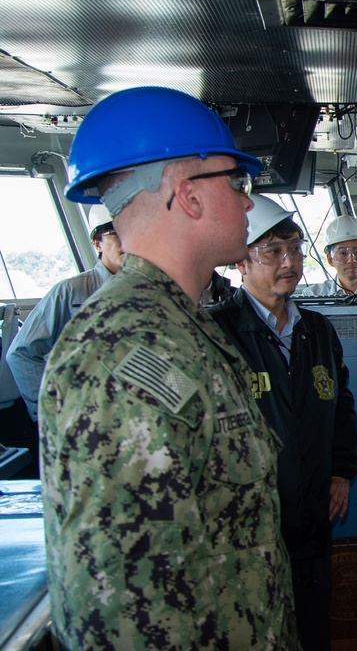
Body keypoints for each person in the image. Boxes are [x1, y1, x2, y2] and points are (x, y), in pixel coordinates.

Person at [38, 86, 299, 649]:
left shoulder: (184, 324)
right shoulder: (122, 350)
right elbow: (127, 610)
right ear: (189, 197)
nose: (249, 202)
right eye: (238, 183)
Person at [209, 195, 357, 650]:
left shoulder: (317, 329)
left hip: (313, 504)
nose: (288, 261)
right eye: (272, 250)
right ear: (241, 260)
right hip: (248, 519)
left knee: (313, 618)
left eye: (294, 248)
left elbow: (341, 405)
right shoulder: (218, 331)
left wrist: (341, 472)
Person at [6, 205, 123, 422]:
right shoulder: (71, 292)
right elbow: (21, 353)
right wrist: (57, 411)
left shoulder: (152, 289)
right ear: (97, 243)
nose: (127, 241)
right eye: (116, 233)